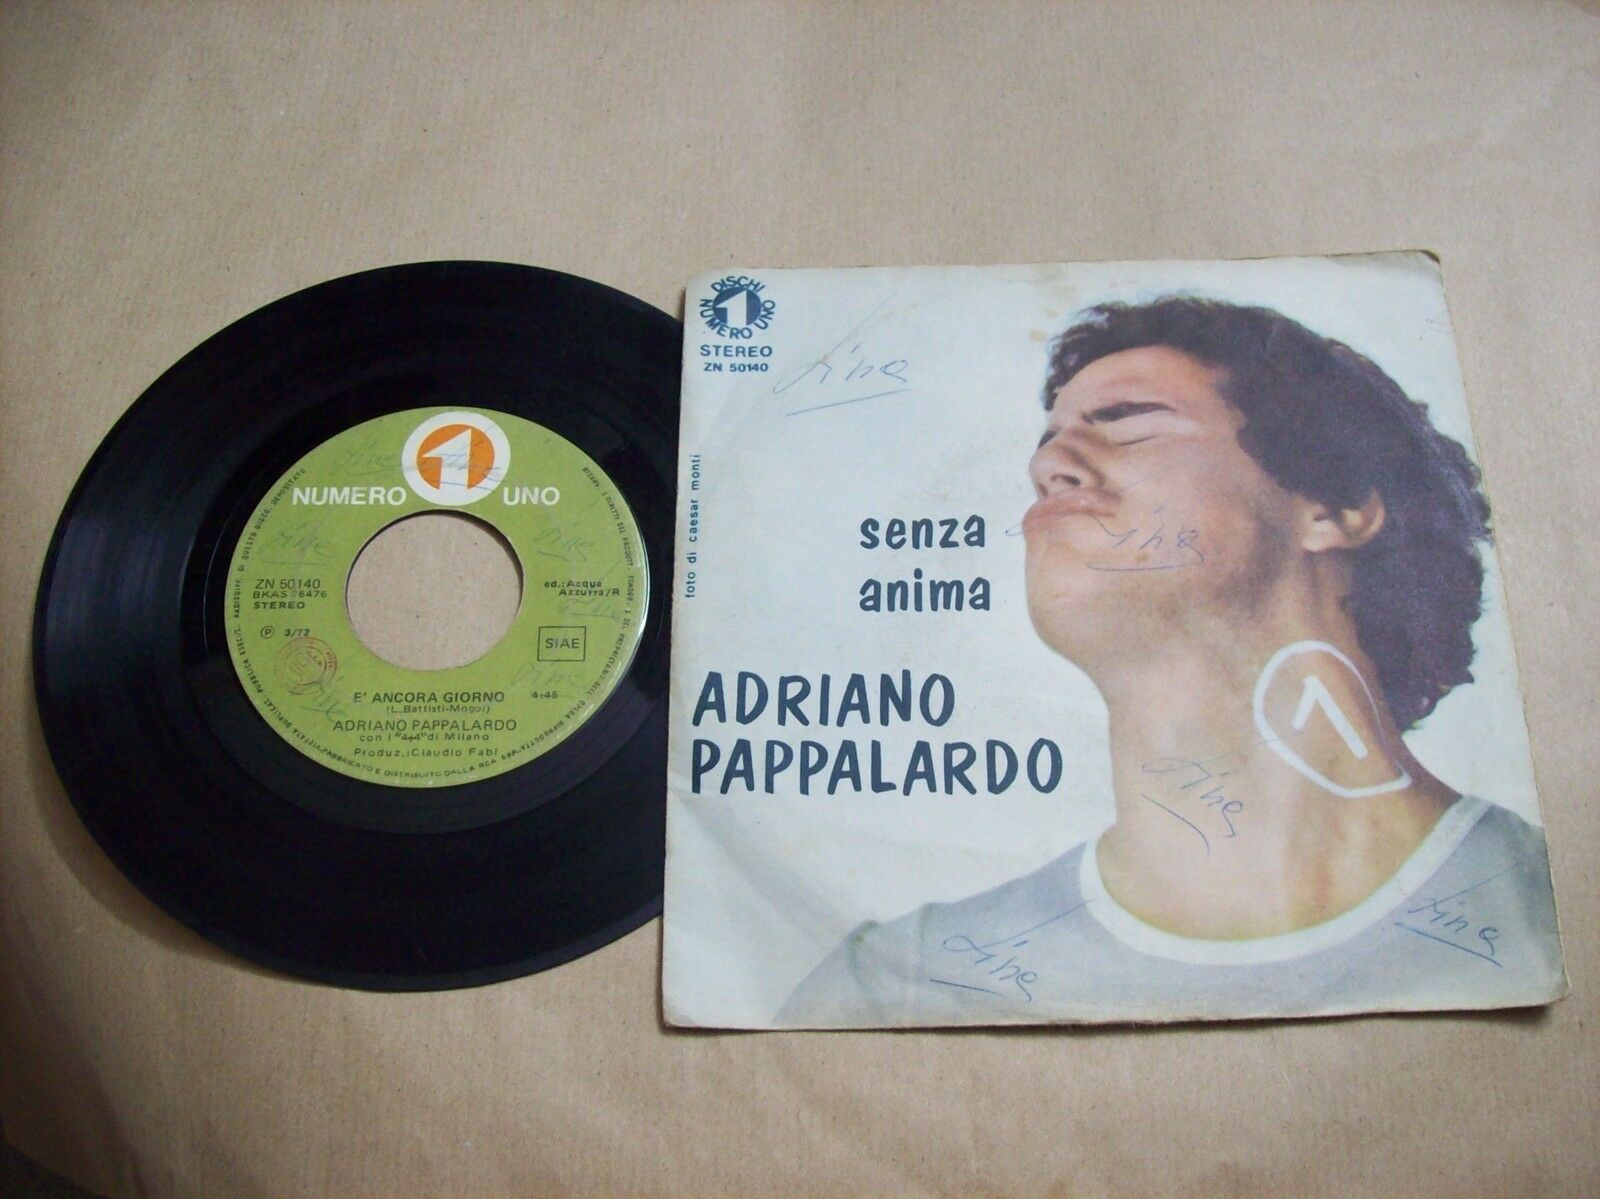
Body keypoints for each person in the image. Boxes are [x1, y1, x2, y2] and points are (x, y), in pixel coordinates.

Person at [779, 297, 1566, 1026]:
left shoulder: (1556, 912)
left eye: (1125, 421)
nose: (1049, 468)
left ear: (1334, 507)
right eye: (1045, 445)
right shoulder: (894, 985)